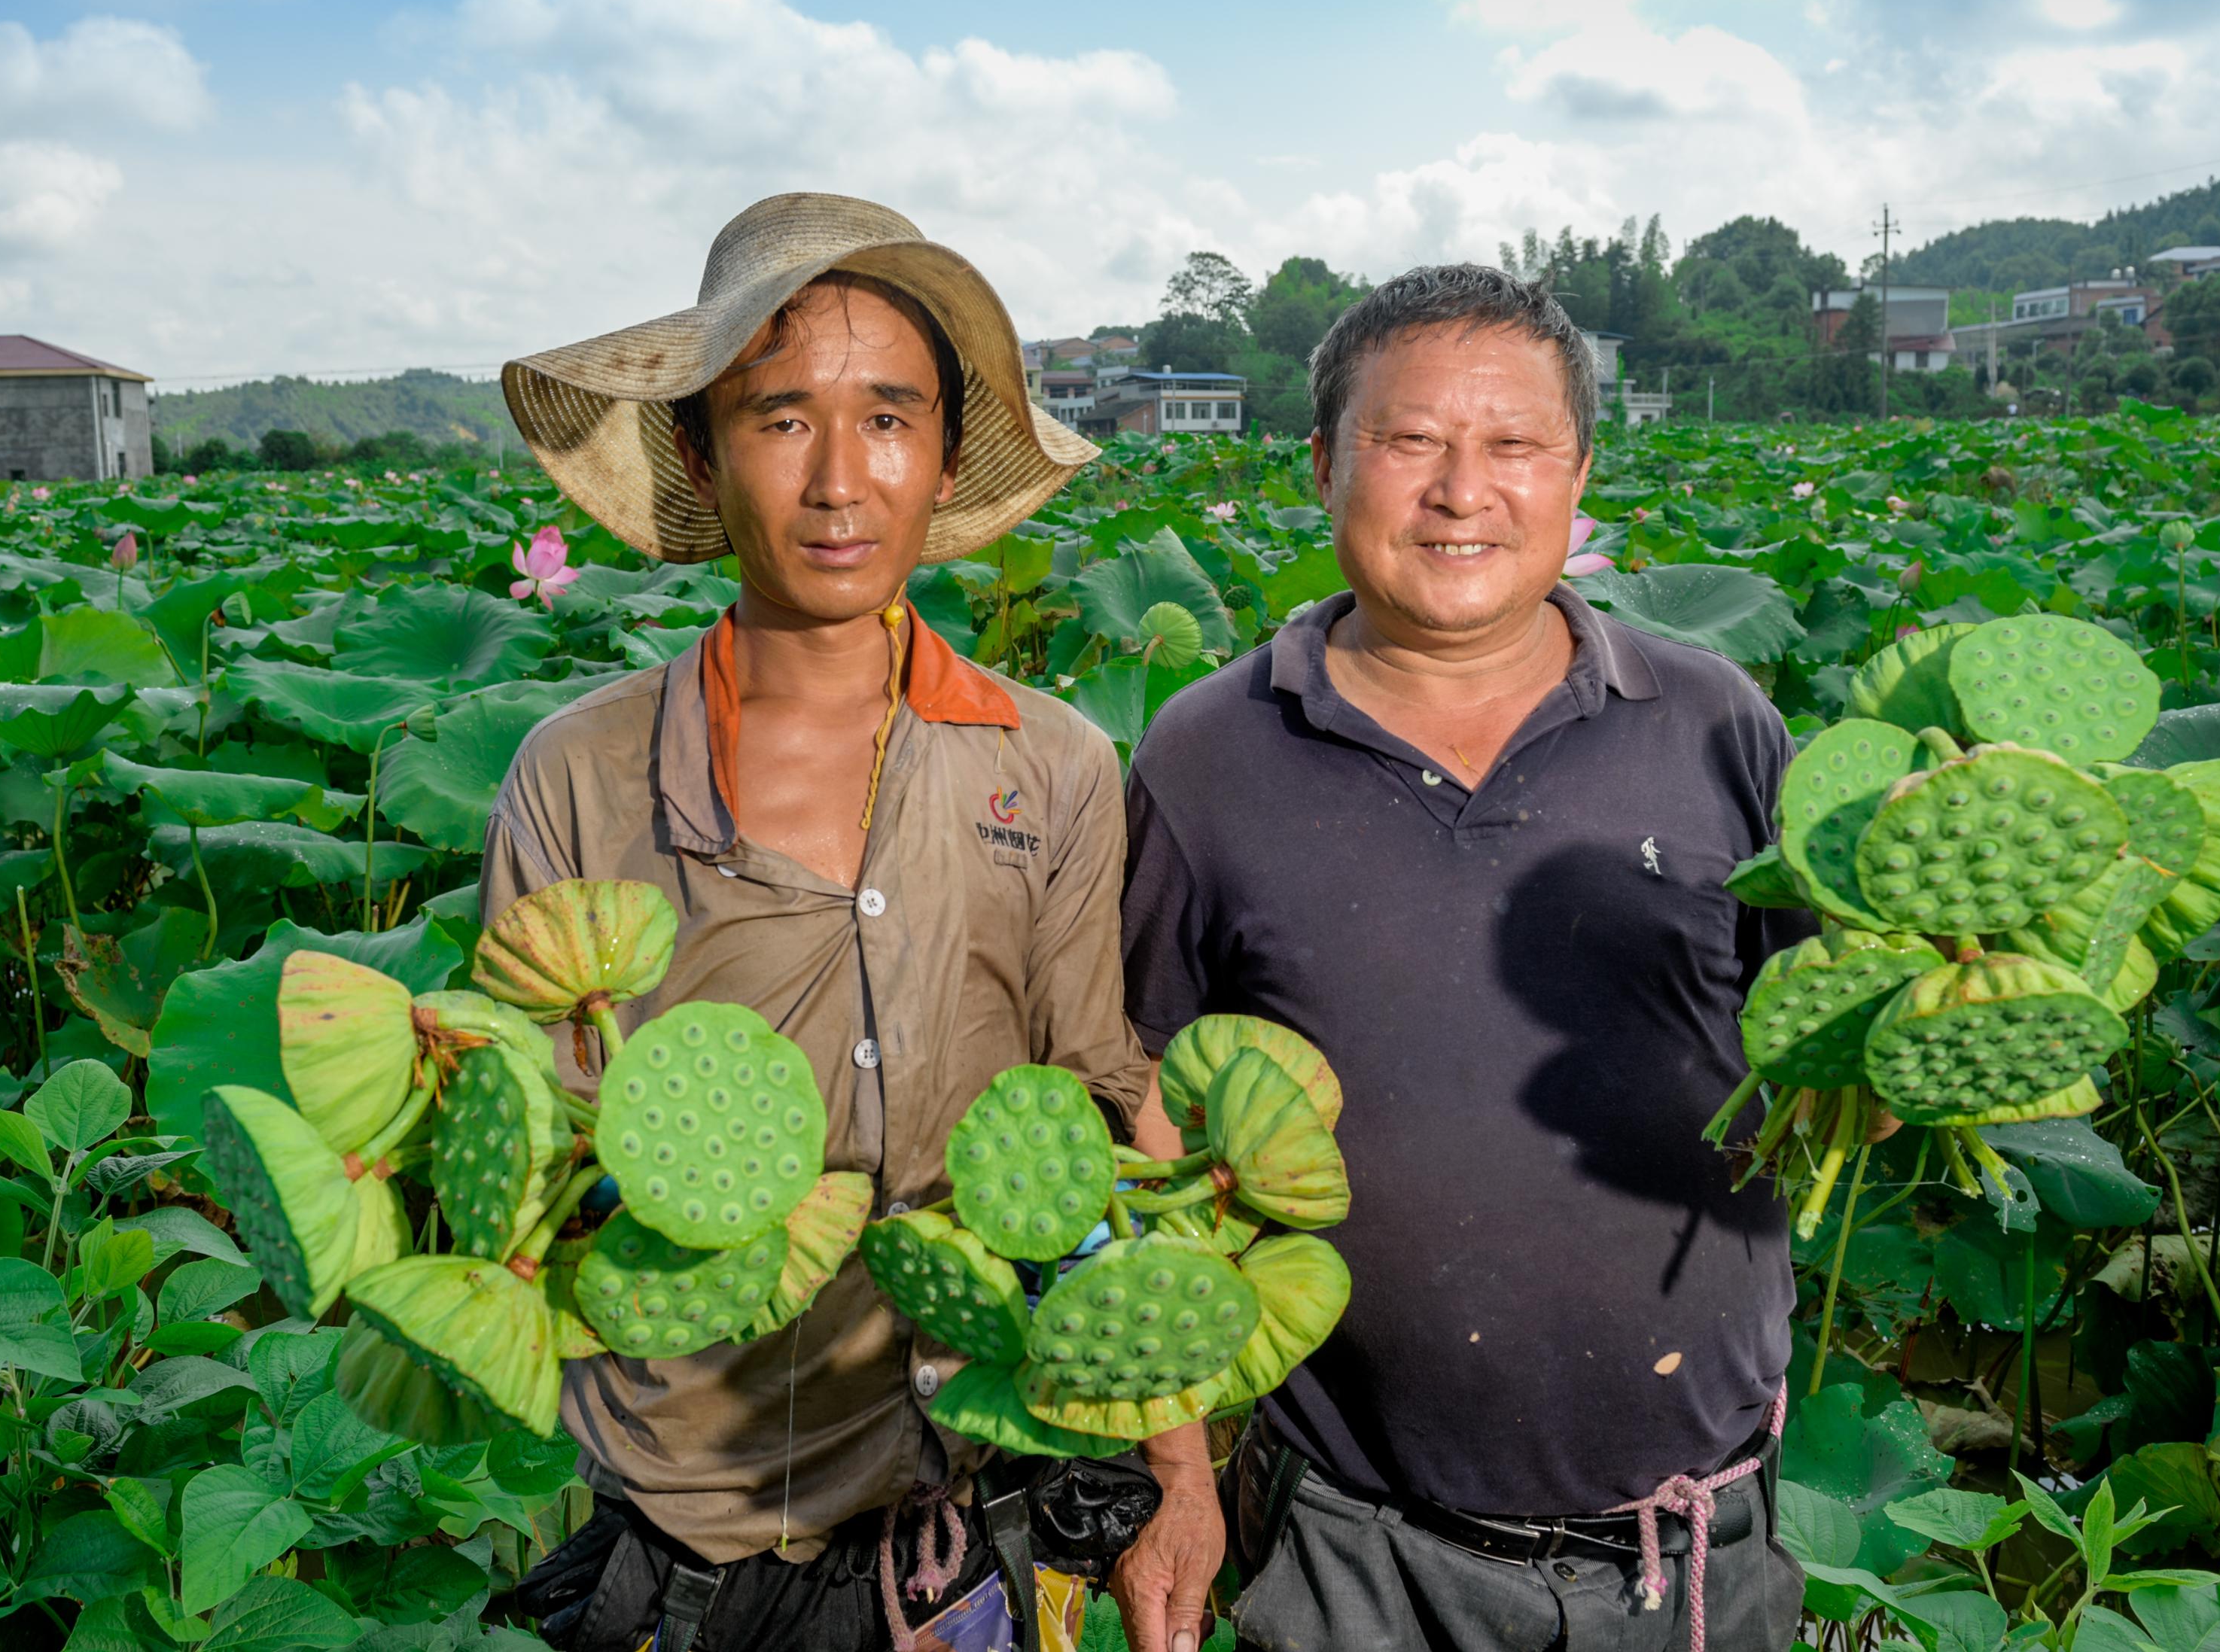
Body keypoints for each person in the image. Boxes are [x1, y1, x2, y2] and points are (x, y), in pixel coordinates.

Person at [483, 193, 1212, 1651]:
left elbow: (1103, 1101)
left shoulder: (1053, 762)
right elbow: (529, 1156)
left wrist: (1178, 1471)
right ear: (697, 447)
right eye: (778, 418)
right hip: (681, 1520)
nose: (838, 480)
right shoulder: (575, 771)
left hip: (971, 1515)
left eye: (887, 418)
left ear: (944, 457)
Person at [1119, 264, 1819, 1651]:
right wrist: (1181, 1479)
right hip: (1352, 1545)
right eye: (1411, 441)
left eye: (1512, 446)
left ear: (1578, 474)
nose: (1462, 491)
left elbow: (1822, 1034)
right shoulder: (1204, 757)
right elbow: (1143, 1126)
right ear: (1324, 463)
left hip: (1690, 1549)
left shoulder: (1716, 723)